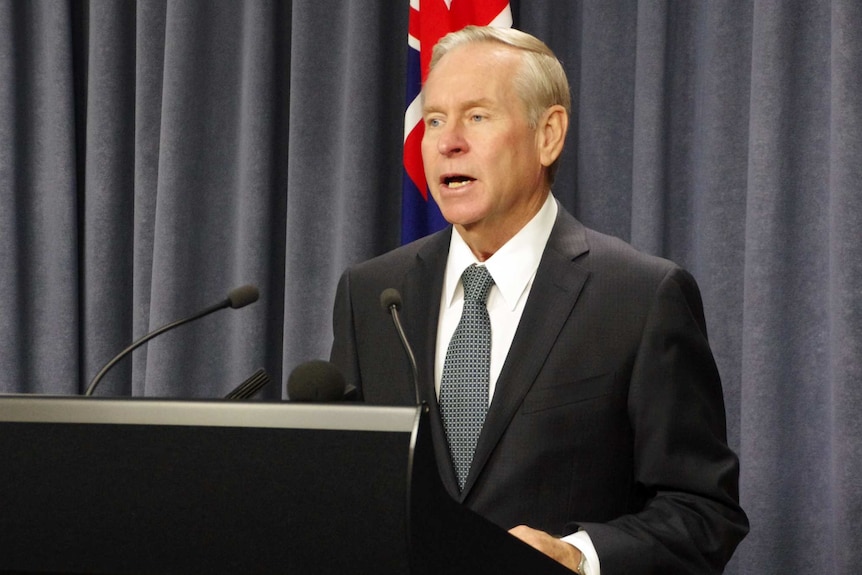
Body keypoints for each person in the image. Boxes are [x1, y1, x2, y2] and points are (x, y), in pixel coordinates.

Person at [330, 26, 748, 574]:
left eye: (477, 116)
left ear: (548, 135)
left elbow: (703, 513)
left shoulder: (641, 298)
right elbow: (340, 489)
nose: (447, 141)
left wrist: (577, 556)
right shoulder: (373, 294)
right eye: (434, 120)